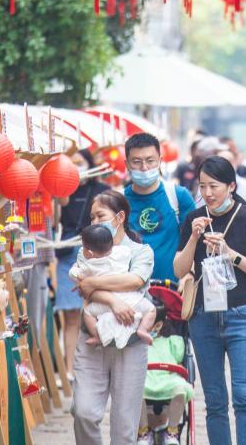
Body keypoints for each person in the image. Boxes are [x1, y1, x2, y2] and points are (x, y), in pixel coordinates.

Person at [174, 156, 246, 445]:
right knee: (215, 400)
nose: (207, 193)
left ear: (231, 186)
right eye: (202, 186)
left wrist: (231, 254)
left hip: (242, 314)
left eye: (214, 186)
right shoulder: (194, 219)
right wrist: (193, 238)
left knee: (244, 396)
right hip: (203, 316)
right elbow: (179, 269)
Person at [72, 191, 156, 445]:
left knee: (124, 427)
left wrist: (93, 284)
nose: (95, 222)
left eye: (101, 216)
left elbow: (134, 280)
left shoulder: (140, 251)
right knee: (83, 412)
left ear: (119, 218)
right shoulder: (86, 250)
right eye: (92, 217)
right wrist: (113, 301)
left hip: (130, 345)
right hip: (92, 340)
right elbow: (83, 287)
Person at [56, 148, 109, 379]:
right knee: (70, 315)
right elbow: (55, 219)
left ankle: (96, 368)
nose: (76, 167)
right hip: (67, 254)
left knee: (96, 311)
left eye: (80, 162)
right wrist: (60, 195)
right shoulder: (63, 191)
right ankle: (69, 369)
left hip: (96, 255)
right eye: (71, 163)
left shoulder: (102, 191)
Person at [124, 132, 197, 282]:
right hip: (130, 287)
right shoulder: (118, 201)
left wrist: (190, 273)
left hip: (173, 287)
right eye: (136, 161)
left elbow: (196, 240)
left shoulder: (178, 196)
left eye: (150, 160)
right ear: (127, 164)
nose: (144, 167)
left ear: (160, 161)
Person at [71, 224, 157, 347]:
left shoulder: (89, 265)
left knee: (87, 312)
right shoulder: (123, 252)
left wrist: (77, 272)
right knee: (151, 309)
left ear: (89, 252)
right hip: (131, 299)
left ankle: (97, 336)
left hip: (103, 304)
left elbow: (75, 275)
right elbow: (126, 253)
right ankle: (143, 329)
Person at [138, 303, 194, 445]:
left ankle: (172, 431)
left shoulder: (172, 341)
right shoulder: (138, 342)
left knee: (180, 389)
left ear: (158, 325)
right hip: (145, 378)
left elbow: (179, 356)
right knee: (135, 389)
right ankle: (143, 431)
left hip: (168, 377)